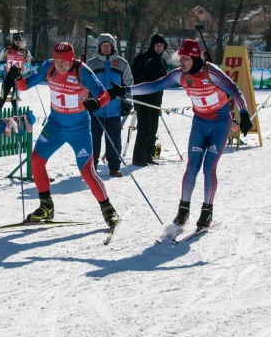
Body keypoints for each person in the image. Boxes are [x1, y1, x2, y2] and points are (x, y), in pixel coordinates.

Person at [108, 39, 252, 229]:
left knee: (209, 168)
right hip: (200, 123)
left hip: (219, 123)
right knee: (192, 166)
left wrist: (244, 114)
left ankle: (207, 211)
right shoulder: (180, 75)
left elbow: (234, 89)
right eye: (180, 58)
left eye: (185, 58)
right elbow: (153, 86)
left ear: (194, 57)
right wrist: (126, 90)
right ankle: (183, 209)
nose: (181, 62)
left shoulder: (211, 72)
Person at [9, 42, 120, 229]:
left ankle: (108, 210)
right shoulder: (49, 66)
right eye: (58, 61)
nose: (60, 66)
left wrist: (97, 103)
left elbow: (104, 94)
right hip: (55, 126)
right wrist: (18, 76)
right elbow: (25, 86)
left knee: (86, 171)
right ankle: (46, 206)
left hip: (79, 129)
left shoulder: (81, 70)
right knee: (36, 160)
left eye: (64, 62)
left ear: (72, 59)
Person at [86, 33, 134, 177]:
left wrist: (127, 103)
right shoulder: (91, 64)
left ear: (113, 47)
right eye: (103, 46)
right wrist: (85, 100)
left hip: (114, 109)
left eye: (108, 46)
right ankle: (91, 168)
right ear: (98, 47)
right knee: (93, 140)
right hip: (96, 110)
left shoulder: (122, 63)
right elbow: (83, 84)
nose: (106, 48)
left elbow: (129, 84)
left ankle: (114, 167)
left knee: (114, 140)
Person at [131, 34, 168, 166]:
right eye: (157, 45)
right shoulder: (143, 58)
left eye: (162, 46)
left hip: (156, 101)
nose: (159, 47)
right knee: (144, 128)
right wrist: (137, 98)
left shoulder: (162, 61)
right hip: (143, 99)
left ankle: (148, 156)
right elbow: (135, 78)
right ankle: (138, 158)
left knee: (153, 129)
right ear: (152, 45)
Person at [0, 32, 34, 111]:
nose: (18, 41)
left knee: (14, 100)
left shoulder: (25, 51)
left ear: (21, 41)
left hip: (18, 78)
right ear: (13, 40)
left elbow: (32, 62)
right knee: (2, 98)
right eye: (16, 39)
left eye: (19, 39)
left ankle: (16, 118)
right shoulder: (8, 49)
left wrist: (30, 59)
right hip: (8, 77)